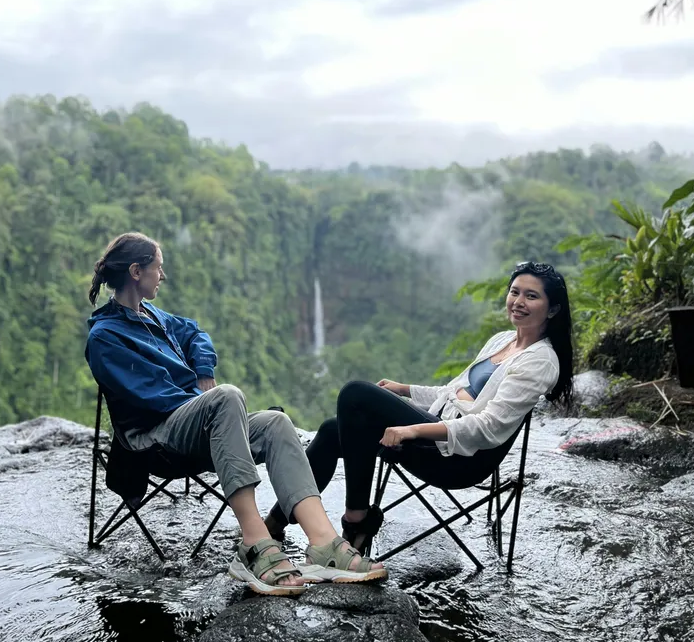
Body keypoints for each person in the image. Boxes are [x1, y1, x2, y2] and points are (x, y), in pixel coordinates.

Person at [85, 231, 386, 595]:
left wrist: (204, 375)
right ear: (136, 271)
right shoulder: (105, 337)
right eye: (157, 268)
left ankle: (324, 544)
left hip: (194, 422)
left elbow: (196, 333)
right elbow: (153, 400)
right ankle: (254, 544)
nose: (162, 276)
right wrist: (208, 406)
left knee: (276, 422)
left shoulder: (152, 316)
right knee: (227, 398)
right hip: (154, 438)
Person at [265, 261, 573, 553]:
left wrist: (411, 429)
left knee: (355, 393)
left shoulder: (539, 361)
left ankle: (355, 522)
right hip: (436, 435)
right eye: (515, 292)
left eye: (531, 296)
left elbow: (487, 428)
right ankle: (275, 524)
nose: (518, 301)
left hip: (459, 457)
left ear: (553, 309)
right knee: (332, 430)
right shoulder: (503, 340)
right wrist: (405, 390)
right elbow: (452, 392)